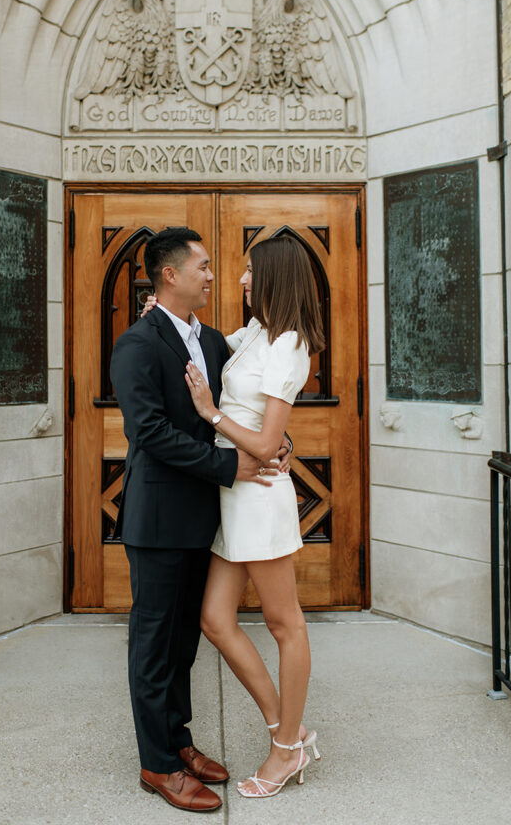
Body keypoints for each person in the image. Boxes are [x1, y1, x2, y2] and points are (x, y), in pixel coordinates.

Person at [110, 227, 290, 814]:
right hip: (158, 519)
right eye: (204, 268)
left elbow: (247, 403)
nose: (213, 277)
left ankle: (179, 740)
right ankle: (157, 764)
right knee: (154, 644)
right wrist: (229, 465)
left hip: (203, 520)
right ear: (170, 275)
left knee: (185, 642)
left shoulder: (213, 341)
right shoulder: (136, 345)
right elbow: (151, 433)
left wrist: (275, 442)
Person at [144, 233, 324, 799]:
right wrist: (163, 313)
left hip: (261, 496)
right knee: (216, 619)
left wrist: (209, 413)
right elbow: (200, 343)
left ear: (273, 277)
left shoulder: (291, 343)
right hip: (231, 496)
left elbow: (269, 444)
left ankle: (285, 750)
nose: (240, 280)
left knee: (283, 623)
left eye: (250, 272)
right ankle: (288, 732)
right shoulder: (253, 335)